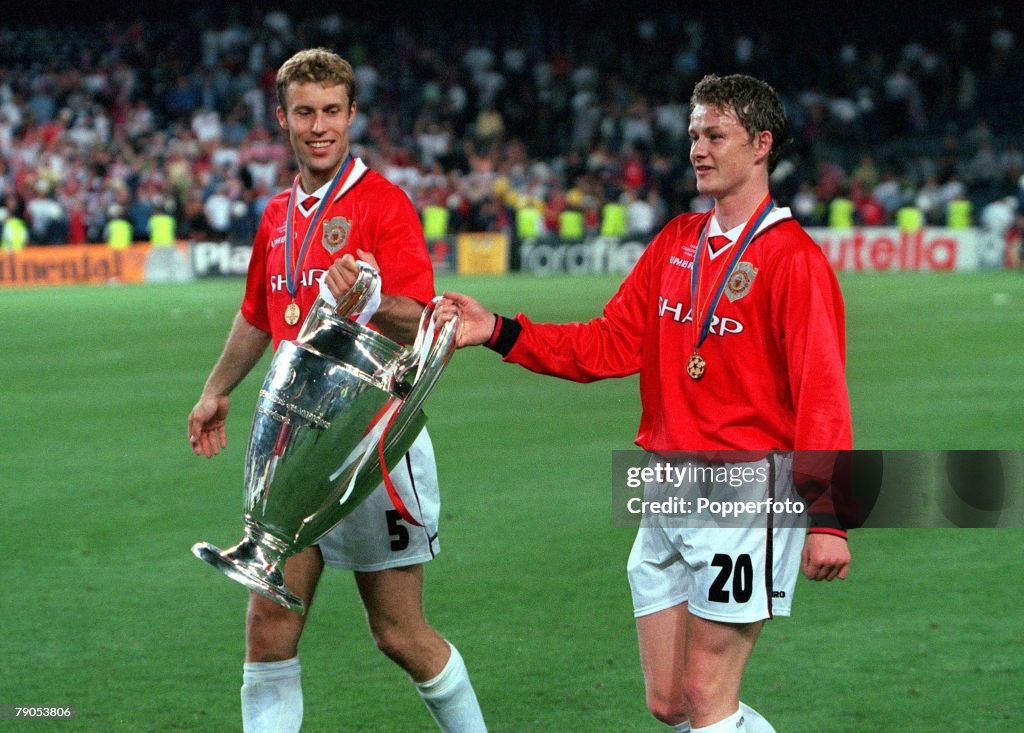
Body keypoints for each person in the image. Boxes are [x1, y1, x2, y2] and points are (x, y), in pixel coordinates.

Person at [438, 74, 852, 733]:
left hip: (746, 490)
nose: (698, 149)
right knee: (671, 702)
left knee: (707, 694)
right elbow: (606, 344)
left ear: (761, 144)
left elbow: (822, 394)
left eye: (715, 135)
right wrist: (498, 330)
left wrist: (828, 517)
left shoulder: (792, 259)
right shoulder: (677, 243)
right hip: (666, 487)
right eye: (693, 134)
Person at [187, 48, 486, 733]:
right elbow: (260, 313)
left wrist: (375, 295)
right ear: (283, 118)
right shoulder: (276, 214)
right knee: (268, 623)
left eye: (330, 111)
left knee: (399, 634)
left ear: (351, 115)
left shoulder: (382, 204)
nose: (318, 126)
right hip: (296, 448)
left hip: (370, 446)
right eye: (304, 112)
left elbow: (424, 313)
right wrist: (216, 389)